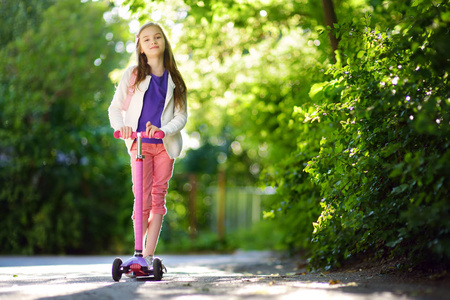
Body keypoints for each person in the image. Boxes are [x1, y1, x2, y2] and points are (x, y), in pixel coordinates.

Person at [108, 21, 187, 271]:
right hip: (139, 144)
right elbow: (115, 107)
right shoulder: (133, 75)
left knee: (158, 198)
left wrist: (164, 130)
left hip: (164, 145)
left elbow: (181, 117)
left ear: (164, 43)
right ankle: (137, 253)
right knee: (140, 198)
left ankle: (148, 257)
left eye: (157, 37)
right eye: (146, 39)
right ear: (140, 48)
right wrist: (123, 128)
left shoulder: (175, 79)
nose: (153, 42)